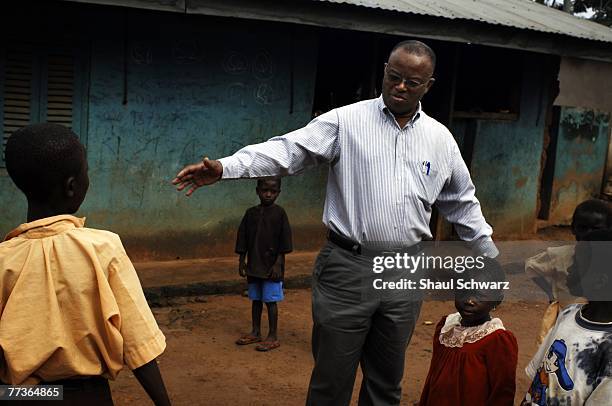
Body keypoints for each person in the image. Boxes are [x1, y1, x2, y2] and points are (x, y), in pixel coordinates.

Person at [173, 40, 498, 405]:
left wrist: (490, 260)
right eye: (394, 77)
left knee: (386, 383)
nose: (400, 87)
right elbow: (287, 151)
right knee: (331, 381)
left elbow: (463, 206)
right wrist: (226, 167)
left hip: (405, 270)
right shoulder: (346, 121)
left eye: (412, 81)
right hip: (348, 267)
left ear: (429, 85)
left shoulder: (440, 140)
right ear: (385, 73)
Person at [0, 123, 171, 405]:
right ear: (72, 186)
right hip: (87, 396)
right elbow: (138, 343)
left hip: (20, 395)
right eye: (86, 171)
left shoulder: (5, 258)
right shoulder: (103, 248)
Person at [522, 229, 612, 405]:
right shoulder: (569, 314)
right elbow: (537, 383)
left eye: (577, 264)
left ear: (599, 281)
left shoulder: (607, 350)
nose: (569, 268)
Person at [419, 259, 517, 406]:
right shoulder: (445, 327)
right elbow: (433, 377)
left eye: (480, 295)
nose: (470, 300)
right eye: (464, 291)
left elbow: (502, 392)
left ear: (497, 300)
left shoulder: (497, 339)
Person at [525, 199, 611, 343]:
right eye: (583, 227)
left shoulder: (607, 261)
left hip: (599, 326)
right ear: (573, 228)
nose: (587, 234)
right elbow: (531, 267)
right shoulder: (559, 255)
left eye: (595, 229)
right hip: (565, 320)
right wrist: (550, 293)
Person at [234, 178, 292, 352]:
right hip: (254, 265)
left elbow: (285, 242)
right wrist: (241, 260)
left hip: (271, 267)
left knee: (270, 301)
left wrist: (278, 264)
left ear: (278, 193)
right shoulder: (250, 213)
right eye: (264, 190)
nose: (268, 194)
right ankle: (256, 331)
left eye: (273, 191)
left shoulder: (280, 213)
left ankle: (272, 336)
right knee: (256, 300)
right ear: (257, 191)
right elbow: (242, 237)